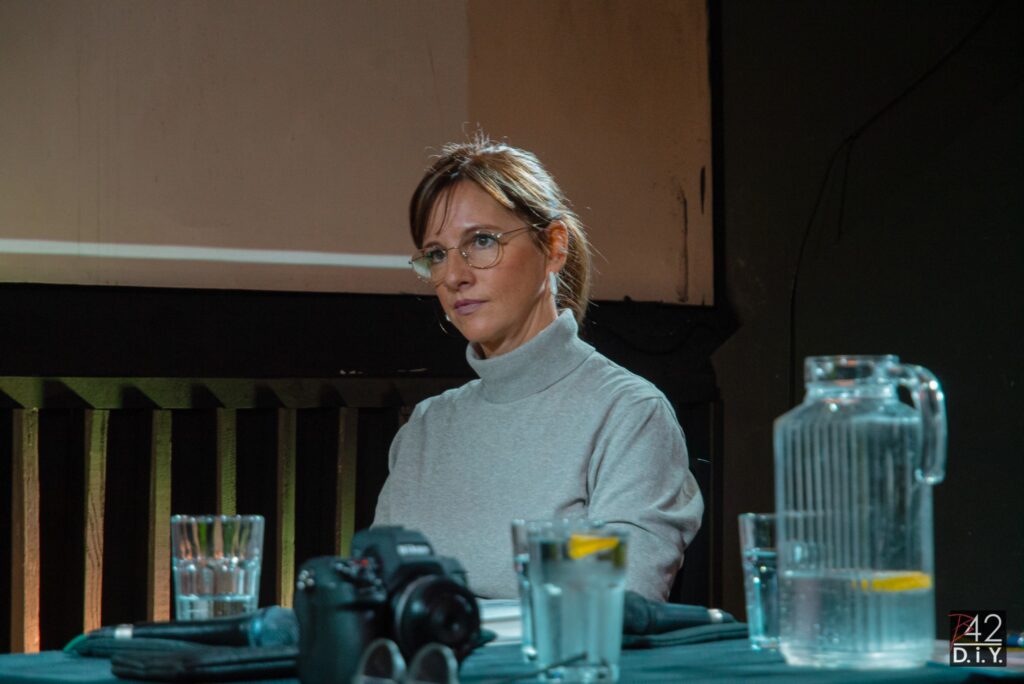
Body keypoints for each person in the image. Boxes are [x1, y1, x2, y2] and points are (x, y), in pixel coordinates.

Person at [373, 137, 703, 601]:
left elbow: (614, 607)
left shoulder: (628, 414)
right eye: (437, 254)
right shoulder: (425, 429)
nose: (454, 276)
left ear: (554, 246)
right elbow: (378, 602)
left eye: (481, 241)